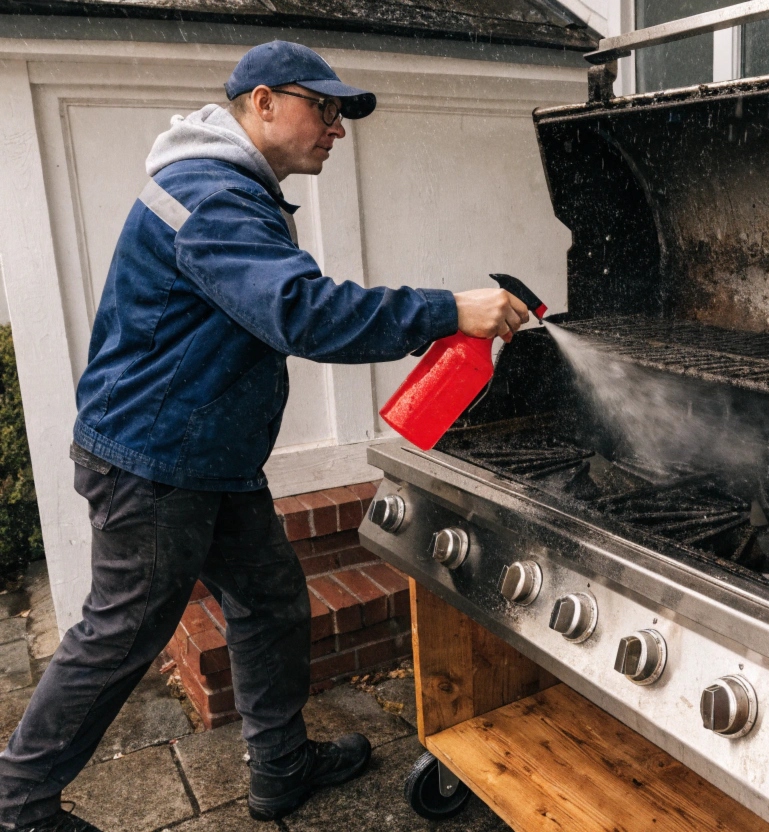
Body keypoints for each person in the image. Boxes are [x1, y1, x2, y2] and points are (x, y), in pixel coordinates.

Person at [0, 40, 529, 832]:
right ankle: (18, 803)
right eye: (325, 107)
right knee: (123, 631)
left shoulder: (235, 192)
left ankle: (280, 770)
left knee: (271, 604)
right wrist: (450, 310)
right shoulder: (209, 196)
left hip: (211, 455)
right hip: (155, 463)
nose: (337, 128)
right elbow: (303, 312)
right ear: (265, 101)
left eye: (341, 113)